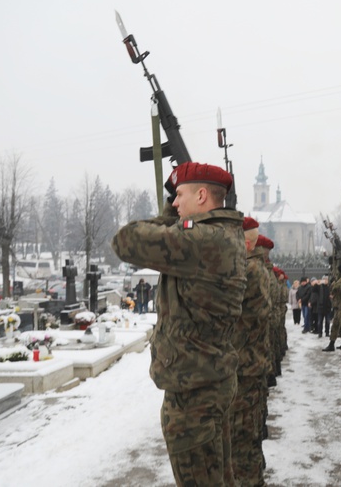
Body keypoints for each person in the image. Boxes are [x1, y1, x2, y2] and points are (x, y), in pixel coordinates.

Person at [111, 161, 246, 487]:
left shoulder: (204, 240)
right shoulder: (222, 236)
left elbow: (125, 241)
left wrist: (170, 219)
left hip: (195, 394)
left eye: (179, 194)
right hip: (205, 380)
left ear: (202, 195)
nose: (174, 203)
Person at [230, 216, 270, 486]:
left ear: (244, 242)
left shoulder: (250, 270)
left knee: (242, 439)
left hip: (246, 366)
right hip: (247, 364)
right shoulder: (252, 266)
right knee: (246, 436)